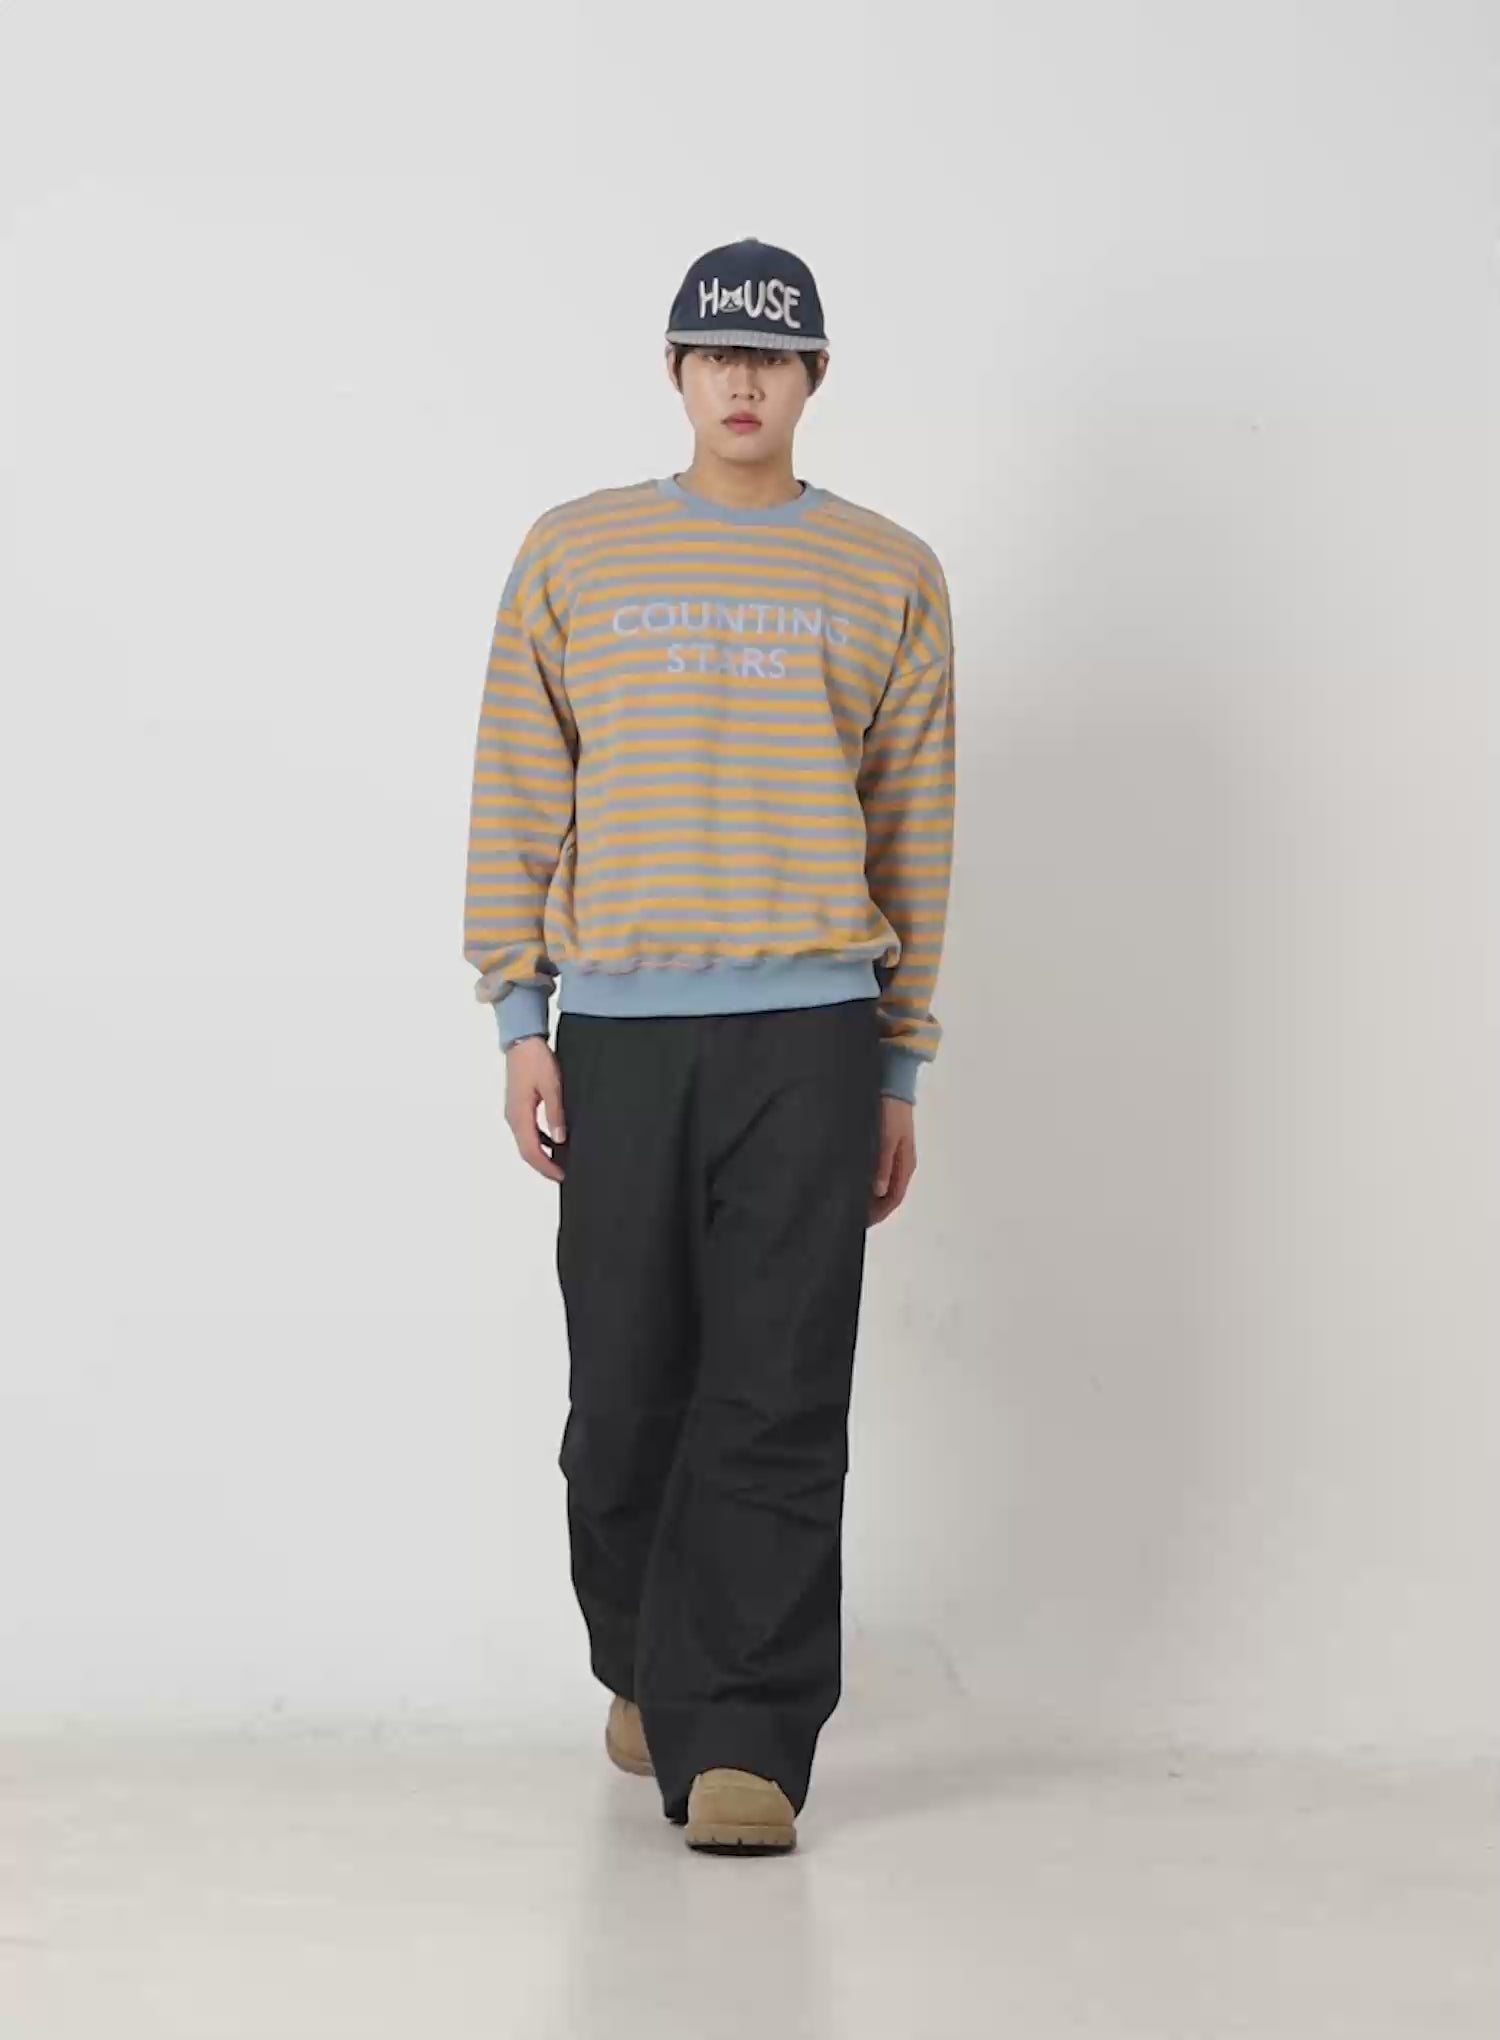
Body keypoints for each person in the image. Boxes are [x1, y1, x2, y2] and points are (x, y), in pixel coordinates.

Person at [462, 235, 957, 1854]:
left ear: (814, 377)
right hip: (621, 1033)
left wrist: (896, 1065)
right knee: (623, 1395)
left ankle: (745, 1734)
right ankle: (646, 1659)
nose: (744, 380)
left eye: (774, 355)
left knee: (780, 1386)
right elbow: (519, 791)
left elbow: (913, 830)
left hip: (812, 1032)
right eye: (716, 352)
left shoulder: (888, 572)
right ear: (676, 372)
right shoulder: (575, 553)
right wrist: (521, 1018)